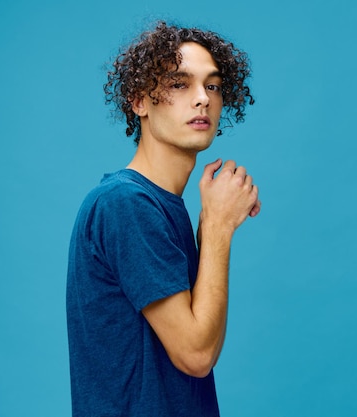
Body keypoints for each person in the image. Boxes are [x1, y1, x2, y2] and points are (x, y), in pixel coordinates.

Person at [66, 21, 260, 417]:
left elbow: (200, 342)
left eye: (213, 85)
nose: (202, 99)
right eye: (179, 84)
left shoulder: (160, 205)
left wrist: (209, 230)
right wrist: (220, 226)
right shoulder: (125, 203)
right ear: (140, 101)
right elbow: (197, 354)